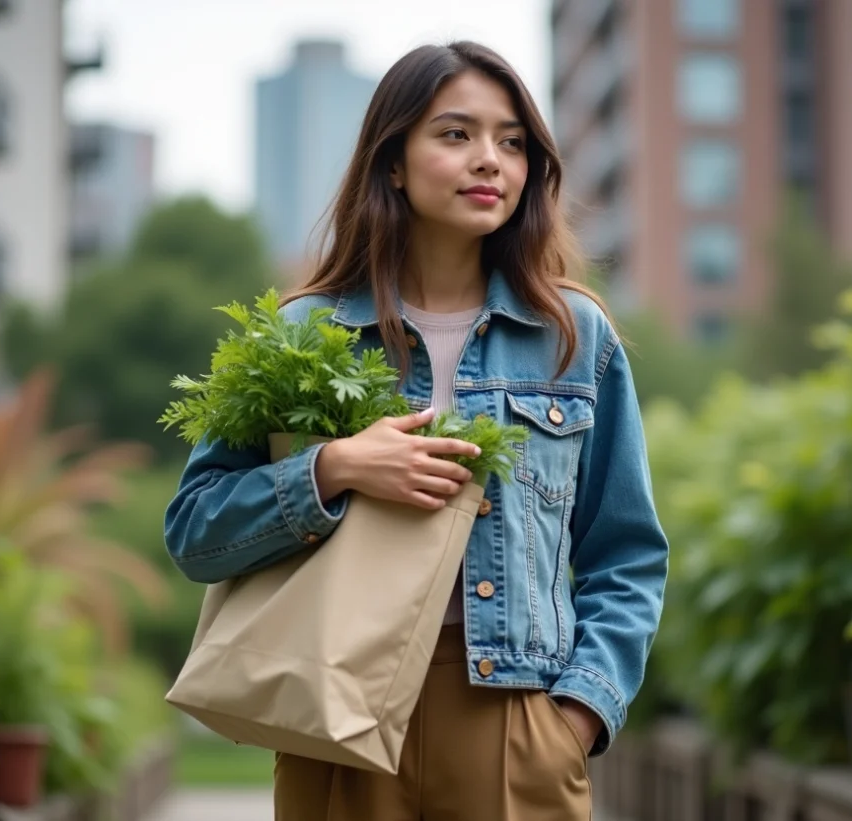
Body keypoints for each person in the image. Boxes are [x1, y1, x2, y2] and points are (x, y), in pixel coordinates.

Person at [164, 40, 669, 821]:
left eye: (511, 142)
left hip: (516, 715)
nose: (489, 161)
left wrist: (577, 717)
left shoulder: (575, 335)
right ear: (392, 160)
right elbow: (196, 531)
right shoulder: (303, 331)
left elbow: (626, 552)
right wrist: (332, 469)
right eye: (456, 134)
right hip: (336, 712)